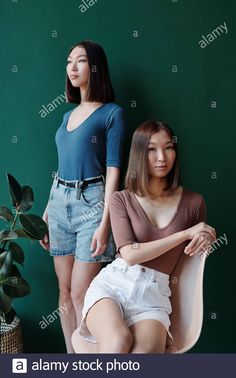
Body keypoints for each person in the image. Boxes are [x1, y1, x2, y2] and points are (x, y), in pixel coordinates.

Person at [73, 120, 216, 353]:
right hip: (113, 286)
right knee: (118, 342)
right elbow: (129, 254)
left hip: (153, 298)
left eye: (168, 147)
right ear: (139, 153)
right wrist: (184, 233)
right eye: (151, 149)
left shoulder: (194, 202)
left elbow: (197, 246)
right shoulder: (121, 199)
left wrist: (207, 236)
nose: (162, 157)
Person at [40, 40, 126, 353]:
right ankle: (71, 360)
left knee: (81, 293)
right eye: (69, 61)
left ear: (95, 68)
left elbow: (114, 170)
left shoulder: (112, 114)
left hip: (93, 203)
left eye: (80, 61)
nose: (72, 67)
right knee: (63, 293)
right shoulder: (66, 117)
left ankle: (91, 360)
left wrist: (105, 225)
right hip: (60, 202)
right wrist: (47, 214)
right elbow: (59, 168)